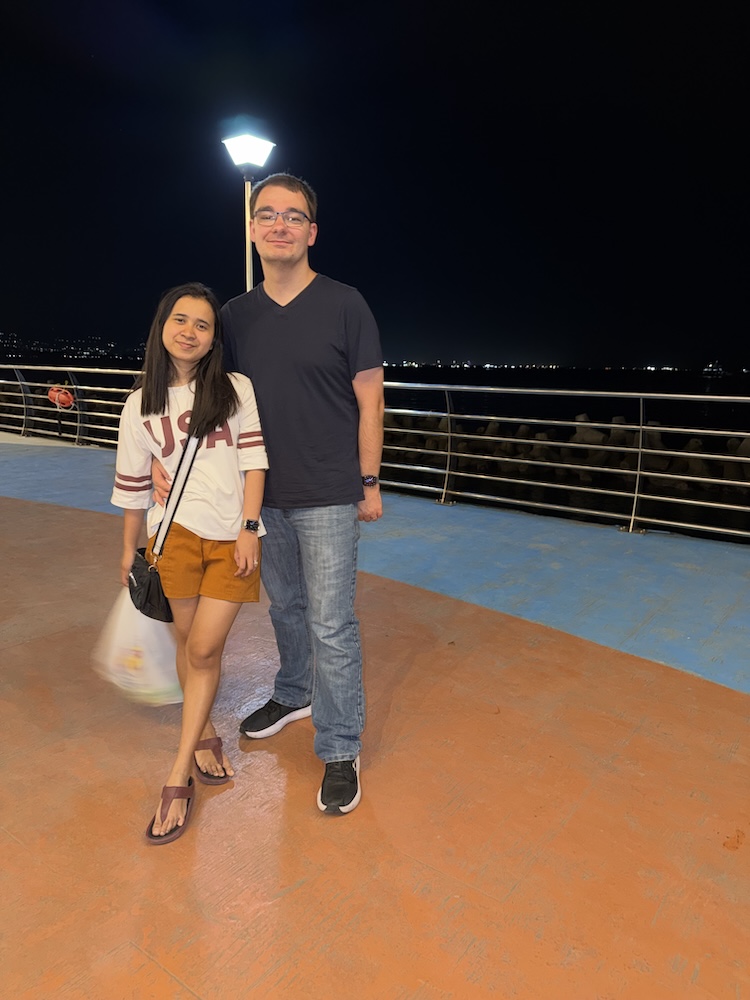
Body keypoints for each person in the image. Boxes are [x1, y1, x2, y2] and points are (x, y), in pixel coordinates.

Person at [156, 173, 384, 815]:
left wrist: (369, 480)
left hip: (330, 491)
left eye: (293, 216)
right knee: (284, 606)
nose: (279, 224)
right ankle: (294, 690)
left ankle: (339, 747)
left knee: (331, 623)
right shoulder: (234, 316)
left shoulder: (346, 304)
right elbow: (200, 393)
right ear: (253, 229)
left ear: (312, 232)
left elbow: (370, 398)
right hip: (256, 498)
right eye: (267, 215)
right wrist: (162, 462)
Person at [112, 282, 268, 844]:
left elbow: (254, 461)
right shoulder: (140, 404)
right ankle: (201, 736)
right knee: (187, 643)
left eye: (202, 325)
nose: (190, 332)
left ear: (213, 338)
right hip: (171, 538)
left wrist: (249, 528)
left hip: (230, 542)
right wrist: (128, 549)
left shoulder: (235, 388)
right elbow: (133, 486)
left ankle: (177, 774)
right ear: (162, 327)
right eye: (180, 320)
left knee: (203, 648)